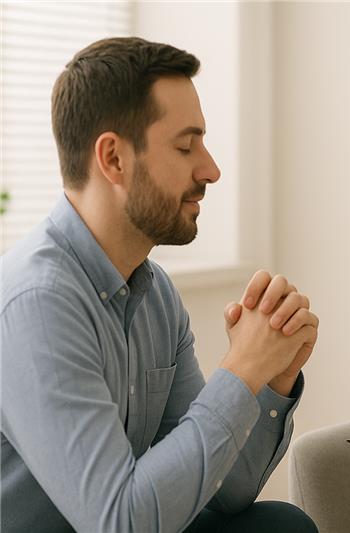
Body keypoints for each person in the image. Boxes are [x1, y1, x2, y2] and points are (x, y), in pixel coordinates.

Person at [1, 37, 319, 533]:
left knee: (281, 525)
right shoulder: (37, 303)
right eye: (185, 146)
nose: (211, 169)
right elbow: (120, 523)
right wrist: (241, 368)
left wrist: (271, 377)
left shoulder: (155, 294)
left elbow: (229, 491)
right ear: (114, 159)